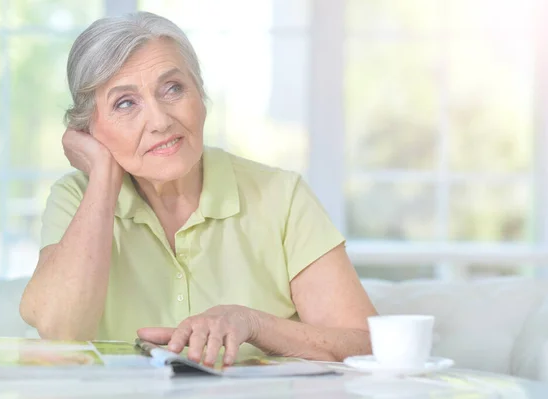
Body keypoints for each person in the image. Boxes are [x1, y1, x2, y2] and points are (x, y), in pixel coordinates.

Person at [19, 11, 377, 367]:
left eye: (173, 89)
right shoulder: (77, 198)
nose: (160, 121)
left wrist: (253, 324)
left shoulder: (282, 196)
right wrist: (102, 177)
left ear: (200, 96)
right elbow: (60, 332)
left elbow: (367, 346)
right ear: (89, 130)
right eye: (125, 103)